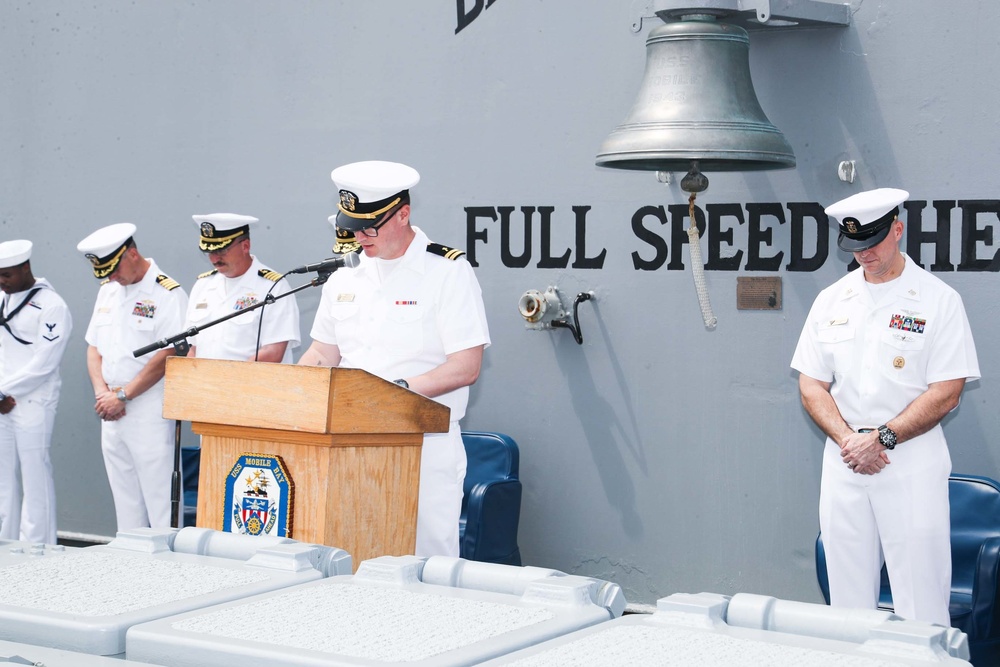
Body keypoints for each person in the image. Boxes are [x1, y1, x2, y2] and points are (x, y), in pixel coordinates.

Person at [791, 188, 980, 626]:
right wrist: (849, 440)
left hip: (909, 459)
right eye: (855, 247)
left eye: (873, 244)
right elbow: (811, 383)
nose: (865, 255)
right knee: (847, 592)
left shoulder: (938, 300)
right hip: (845, 459)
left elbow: (947, 391)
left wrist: (883, 439)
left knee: (921, 592)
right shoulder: (832, 300)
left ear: (898, 229)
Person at [299, 160, 491, 557]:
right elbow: (322, 353)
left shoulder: (447, 271)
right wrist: (291, 390)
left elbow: (465, 365)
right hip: (351, 442)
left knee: (426, 559)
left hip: (423, 442)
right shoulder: (343, 276)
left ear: (403, 213)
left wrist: (390, 395)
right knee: (354, 549)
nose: (360, 235)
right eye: (353, 225)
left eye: (370, 225)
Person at [77, 223, 189, 531]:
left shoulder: (167, 292)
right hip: (110, 406)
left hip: (148, 407)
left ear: (133, 255)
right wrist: (103, 393)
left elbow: (169, 353)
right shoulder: (109, 292)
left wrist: (123, 395)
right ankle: (131, 562)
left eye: (113, 269)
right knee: (124, 494)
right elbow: (93, 348)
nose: (111, 278)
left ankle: (168, 563)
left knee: (159, 496)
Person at [0, 240, 72, 544]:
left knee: (34, 477)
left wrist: (3, 392)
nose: (2, 282)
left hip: (32, 401)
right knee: (3, 481)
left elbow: (45, 363)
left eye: (7, 275)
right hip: (2, 401)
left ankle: (37, 548)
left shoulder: (52, 304)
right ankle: (5, 545)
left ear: (25, 268)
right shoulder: (1, 298)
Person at [184, 213, 300, 363]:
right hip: (205, 384)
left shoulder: (273, 286)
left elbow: (273, 352)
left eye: (221, 251)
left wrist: (227, 380)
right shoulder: (203, 285)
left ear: (245, 246)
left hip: (250, 384)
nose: (214, 259)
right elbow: (193, 347)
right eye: (209, 251)